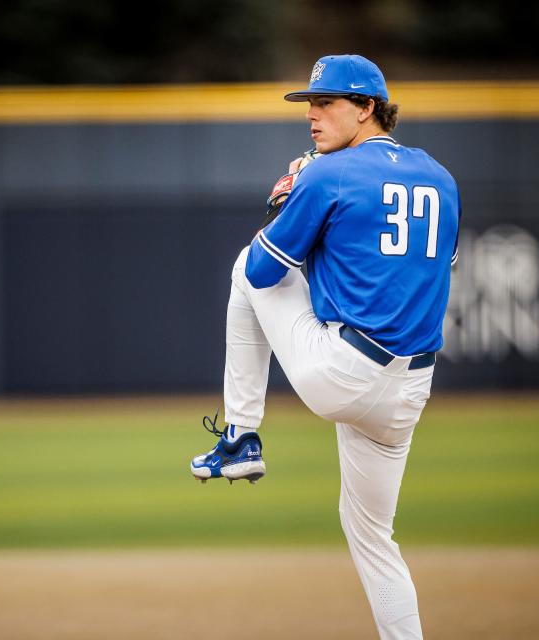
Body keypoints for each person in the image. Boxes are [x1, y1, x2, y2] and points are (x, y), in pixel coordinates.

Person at [189, 54, 460, 639]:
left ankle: (239, 438)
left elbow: (264, 272)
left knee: (242, 263)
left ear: (367, 108)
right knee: (373, 536)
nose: (312, 115)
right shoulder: (441, 177)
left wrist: (287, 203)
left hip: (343, 371)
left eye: (327, 103)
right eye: (309, 104)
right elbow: (419, 269)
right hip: (409, 391)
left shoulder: (325, 173)